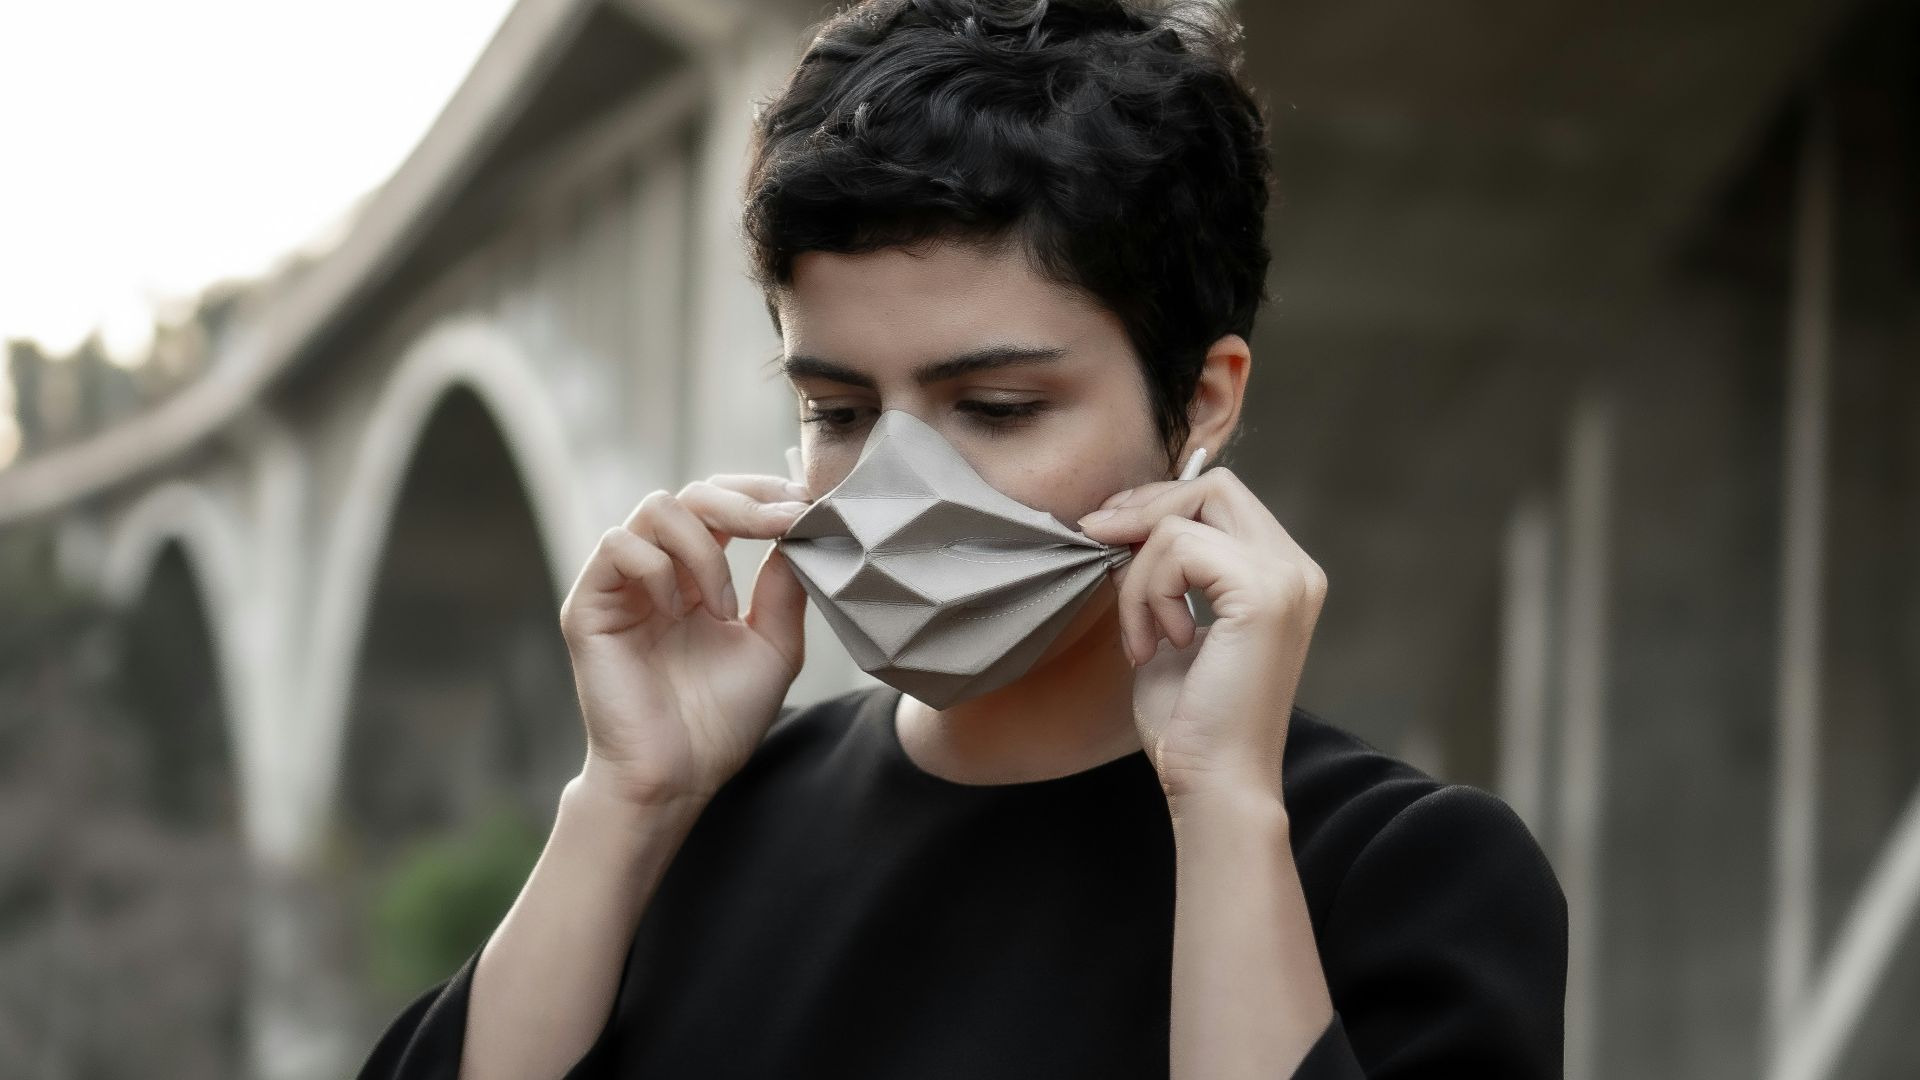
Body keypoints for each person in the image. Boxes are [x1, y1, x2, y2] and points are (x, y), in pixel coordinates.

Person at [357, 1, 1568, 1078]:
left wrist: (1222, 811)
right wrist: (627, 801)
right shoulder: (697, 823)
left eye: (995, 407)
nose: (894, 484)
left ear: (1203, 401)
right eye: (838, 412)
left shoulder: (1402, 871)